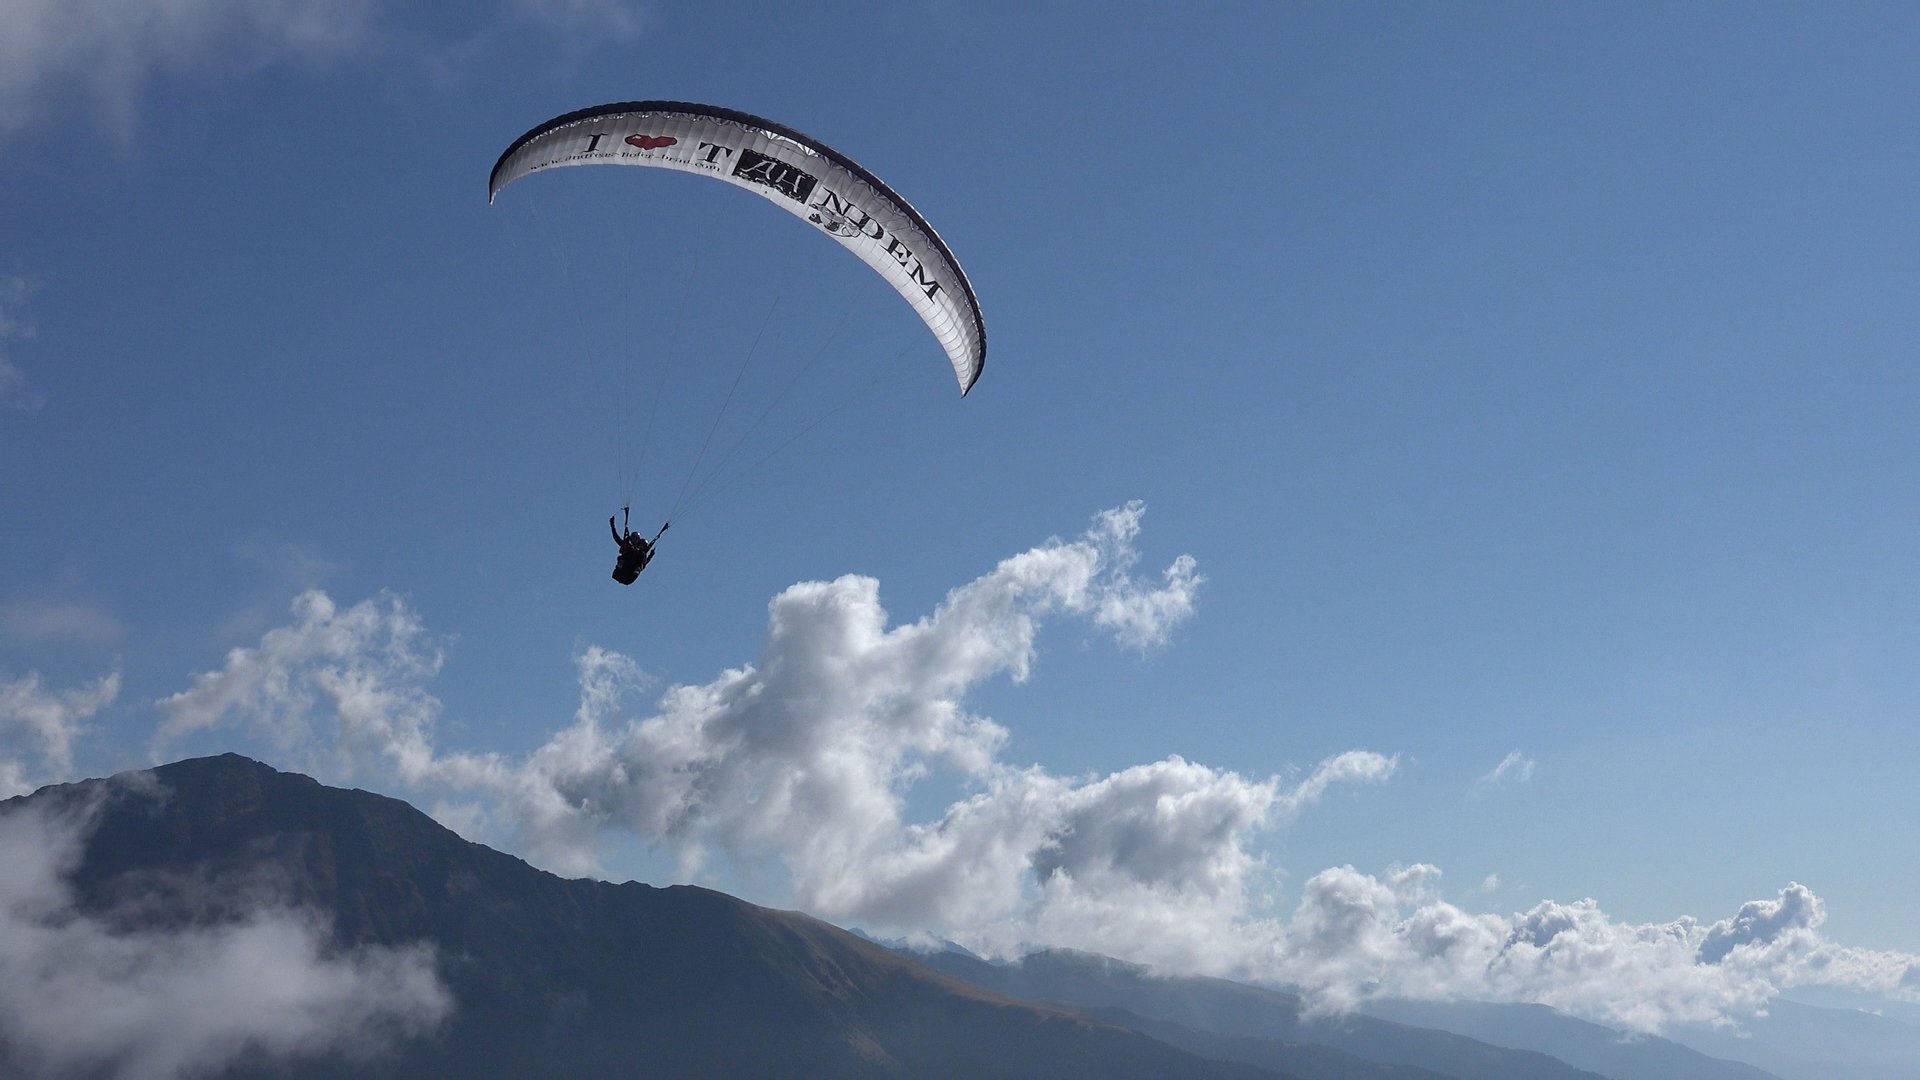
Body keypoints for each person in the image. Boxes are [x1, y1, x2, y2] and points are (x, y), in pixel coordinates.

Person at [610, 508, 662, 585]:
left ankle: (632, 570)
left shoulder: (641, 554)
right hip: (621, 573)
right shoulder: (628, 547)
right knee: (630, 552)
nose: (635, 540)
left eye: (636, 539)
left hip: (629, 576)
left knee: (641, 555)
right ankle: (621, 566)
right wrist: (612, 526)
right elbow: (616, 537)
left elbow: (644, 562)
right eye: (633, 538)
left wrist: (650, 555)